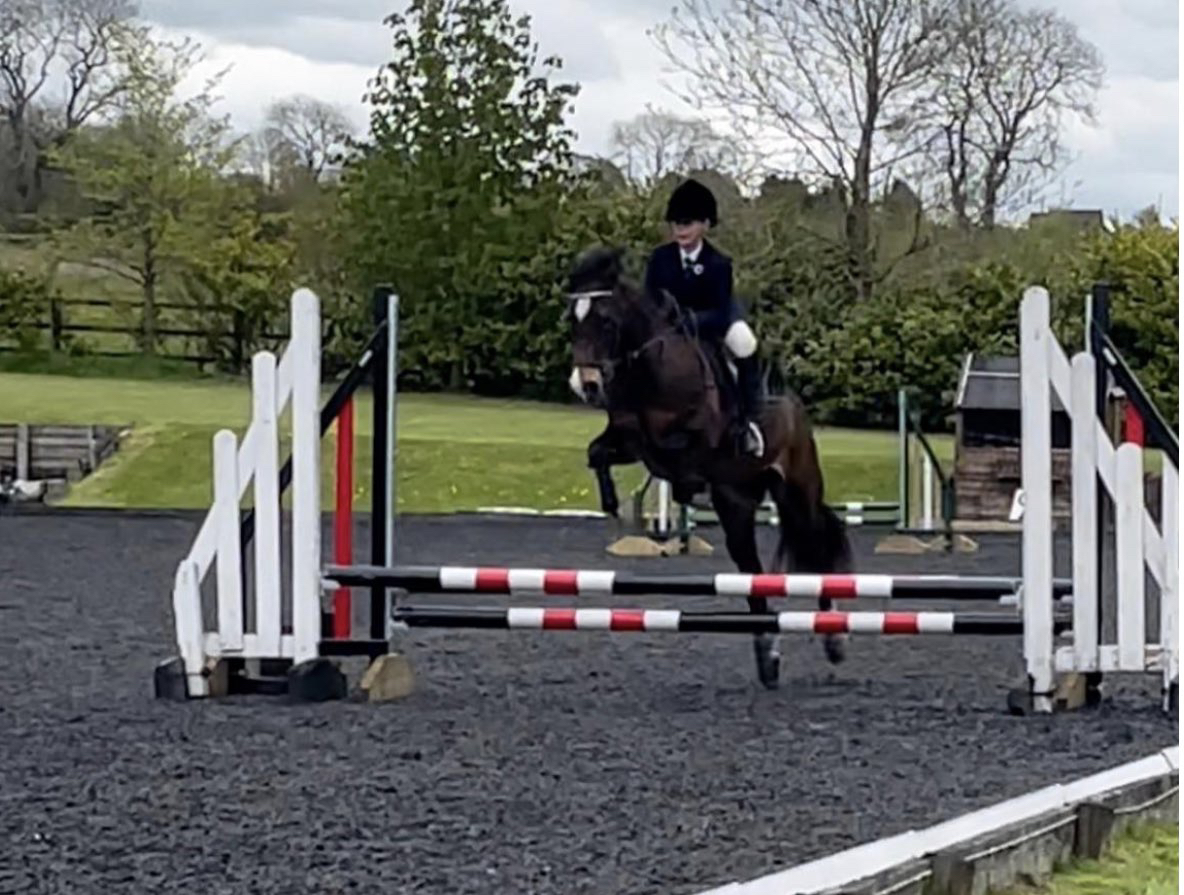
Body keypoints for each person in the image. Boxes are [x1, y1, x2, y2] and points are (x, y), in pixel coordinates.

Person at [643, 178, 765, 456]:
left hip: (714, 322)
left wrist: (692, 322)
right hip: (670, 328)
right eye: (676, 223)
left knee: (746, 343)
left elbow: (721, 310)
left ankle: (749, 421)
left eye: (687, 223)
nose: (681, 229)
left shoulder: (718, 263)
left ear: (705, 225)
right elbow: (649, 299)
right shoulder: (659, 259)